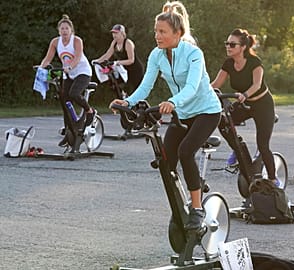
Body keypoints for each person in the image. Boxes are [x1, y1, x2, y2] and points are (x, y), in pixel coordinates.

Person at [109, 1, 222, 231]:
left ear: (177, 33)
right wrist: (128, 101)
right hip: (184, 113)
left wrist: (172, 101)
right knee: (166, 161)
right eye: (156, 31)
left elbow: (191, 87)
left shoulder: (193, 54)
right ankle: (187, 195)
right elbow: (145, 85)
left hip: (207, 111)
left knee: (186, 151)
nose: (157, 36)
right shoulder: (156, 55)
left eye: (162, 32)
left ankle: (198, 208)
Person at [211, 28, 279, 187]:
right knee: (224, 122)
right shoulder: (228, 63)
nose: (228, 47)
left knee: (263, 145)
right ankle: (237, 148)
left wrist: (245, 95)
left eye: (232, 44)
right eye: (227, 43)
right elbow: (215, 84)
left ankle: (273, 179)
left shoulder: (255, 62)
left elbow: (257, 84)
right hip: (244, 103)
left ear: (242, 47)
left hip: (263, 104)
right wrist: (201, 92)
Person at [40, 14, 95, 146]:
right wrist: (41, 68)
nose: (64, 31)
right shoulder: (55, 42)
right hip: (68, 74)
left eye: (66, 28)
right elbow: (48, 58)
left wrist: (70, 66)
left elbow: (77, 57)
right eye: (62, 29)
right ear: (59, 30)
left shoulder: (76, 40)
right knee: (64, 100)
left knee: (74, 94)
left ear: (71, 30)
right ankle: (69, 132)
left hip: (82, 72)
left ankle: (89, 111)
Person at [92, 24, 144, 95]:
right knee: (119, 87)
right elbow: (107, 55)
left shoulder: (128, 43)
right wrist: (97, 61)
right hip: (125, 70)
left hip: (135, 70)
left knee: (135, 92)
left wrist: (117, 62)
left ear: (122, 33)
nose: (114, 35)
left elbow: (131, 60)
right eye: (113, 33)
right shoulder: (114, 43)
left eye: (116, 33)